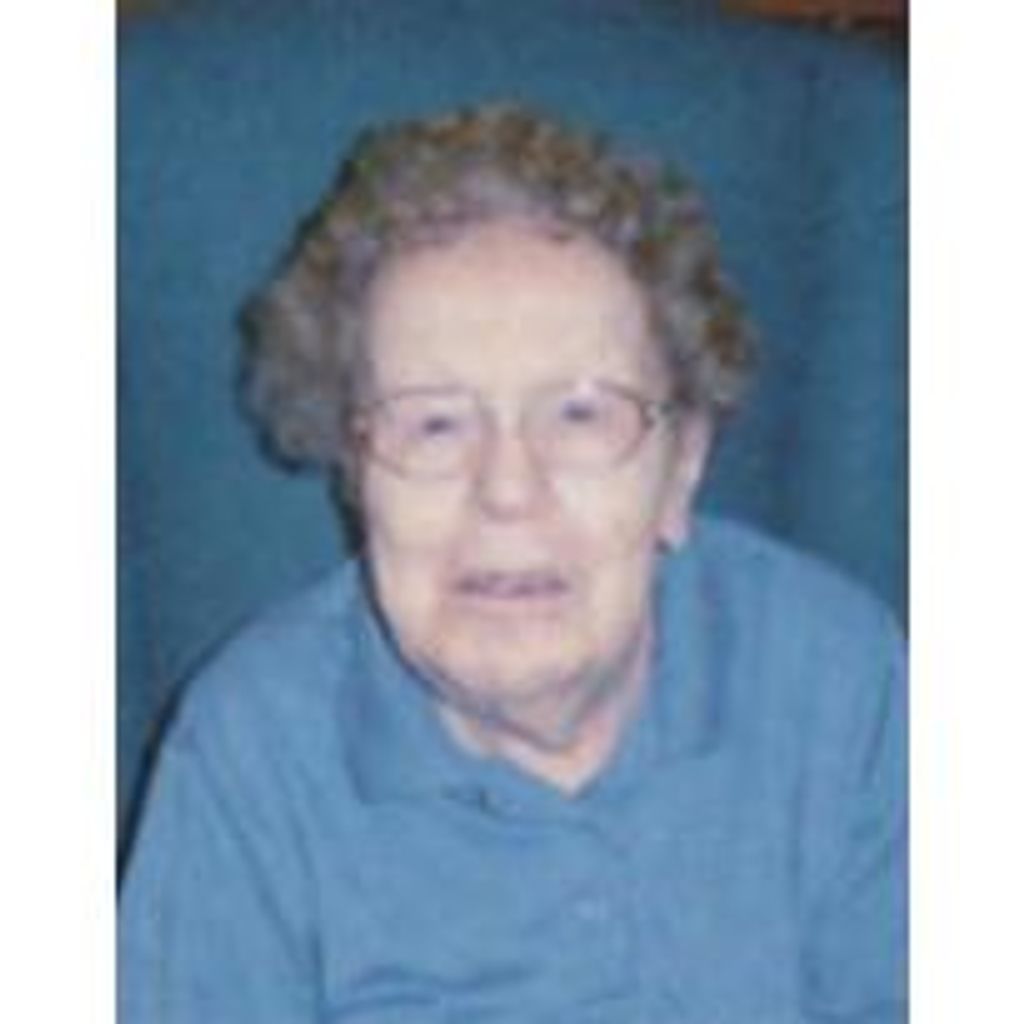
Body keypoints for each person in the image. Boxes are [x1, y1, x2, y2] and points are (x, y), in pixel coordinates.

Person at [118, 102, 907, 1022]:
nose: (507, 491)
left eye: (579, 415)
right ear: (355, 472)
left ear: (682, 468)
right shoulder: (252, 750)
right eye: (434, 424)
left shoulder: (838, 682)